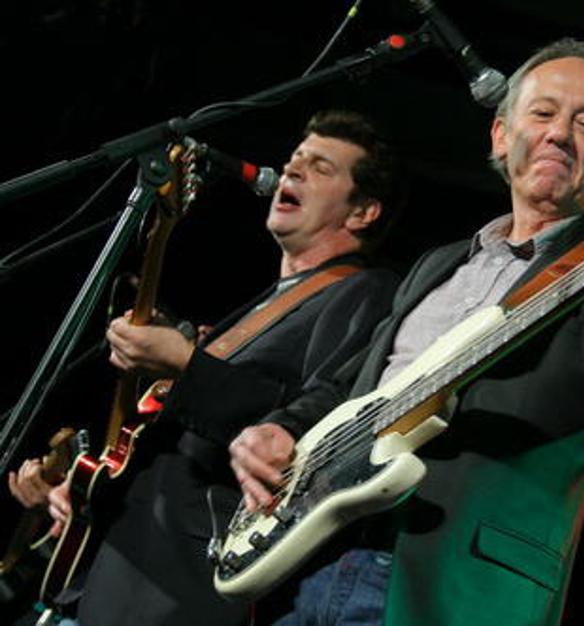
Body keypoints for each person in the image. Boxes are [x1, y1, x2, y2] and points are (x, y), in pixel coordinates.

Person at [229, 38, 584, 626]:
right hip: (315, 563)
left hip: (452, 588)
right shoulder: (438, 265)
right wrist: (279, 429)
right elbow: (347, 388)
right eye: (543, 113)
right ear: (500, 136)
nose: (560, 134)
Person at [9, 110, 405, 626]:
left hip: (182, 586)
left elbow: (315, 427)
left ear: (363, 212)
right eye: (295, 159)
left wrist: (183, 363)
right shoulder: (261, 306)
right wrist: (82, 494)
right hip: (109, 577)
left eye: (320, 167)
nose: (292, 170)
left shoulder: (366, 291)